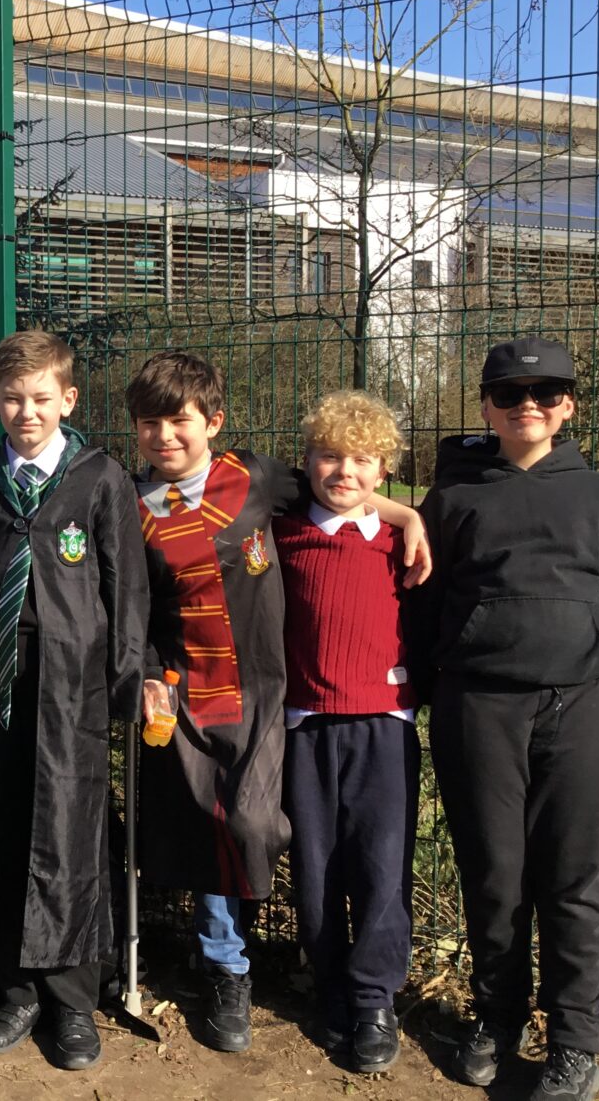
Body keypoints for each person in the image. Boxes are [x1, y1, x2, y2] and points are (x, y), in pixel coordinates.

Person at [127, 351, 428, 1055]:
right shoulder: (127, 503)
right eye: (150, 423)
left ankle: (322, 967)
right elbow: (127, 605)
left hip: (267, 691)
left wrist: (405, 512)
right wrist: (143, 673)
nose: (166, 436)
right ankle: (226, 965)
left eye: (180, 421)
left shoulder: (253, 479)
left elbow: (339, 490)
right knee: (205, 823)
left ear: (214, 423)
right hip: (184, 690)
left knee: (258, 820)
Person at [413, 337, 599, 1101]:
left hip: (587, 706)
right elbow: (424, 607)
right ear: (488, 406)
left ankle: (575, 1043)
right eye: (509, 392)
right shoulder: (455, 499)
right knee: (494, 879)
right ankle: (497, 1019)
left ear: (568, 406)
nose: (526, 403)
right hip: (478, 709)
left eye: (545, 391)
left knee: (575, 880)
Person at [0, 330, 148, 1072]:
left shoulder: (99, 478)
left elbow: (125, 587)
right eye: (11, 398)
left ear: (67, 399)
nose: (25, 412)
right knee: (2, 824)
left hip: (74, 684)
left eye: (40, 398)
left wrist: (126, 679)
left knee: (67, 828)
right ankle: (15, 986)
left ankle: (71, 996)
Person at [273, 391, 419, 1073]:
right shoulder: (282, 531)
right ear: (307, 461)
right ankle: (328, 983)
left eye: (362, 459)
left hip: (383, 726)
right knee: (316, 865)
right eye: (330, 455)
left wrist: (408, 514)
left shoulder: (400, 542)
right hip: (305, 724)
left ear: (383, 467)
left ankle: (373, 997)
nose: (344, 471)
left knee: (381, 865)